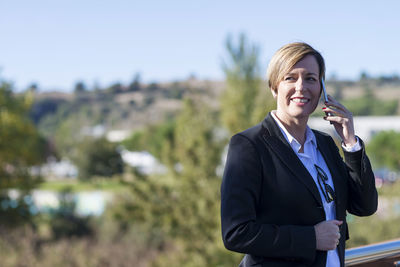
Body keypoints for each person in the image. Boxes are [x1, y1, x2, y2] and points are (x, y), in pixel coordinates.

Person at [220, 42, 378, 267]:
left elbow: (365, 206)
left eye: (311, 78)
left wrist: (350, 143)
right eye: (290, 78)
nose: (301, 87)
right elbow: (236, 232)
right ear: (274, 86)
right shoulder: (249, 145)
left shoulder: (325, 144)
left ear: (321, 89)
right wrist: (311, 238)